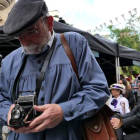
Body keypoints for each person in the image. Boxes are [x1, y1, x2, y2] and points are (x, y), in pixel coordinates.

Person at [0, 0, 110, 140]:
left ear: (49, 22)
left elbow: (98, 89)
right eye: (19, 35)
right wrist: (7, 113)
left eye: (31, 31)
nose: (25, 41)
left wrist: (63, 111)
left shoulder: (74, 44)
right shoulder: (9, 61)